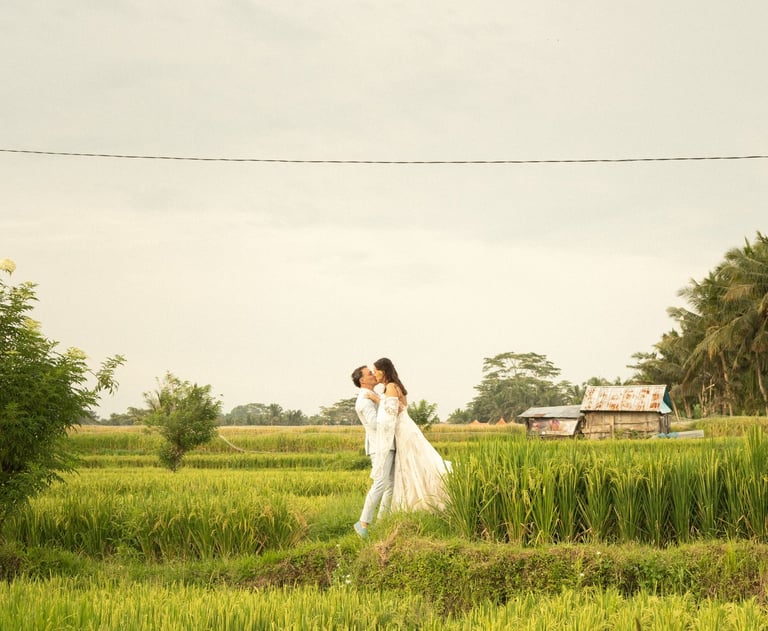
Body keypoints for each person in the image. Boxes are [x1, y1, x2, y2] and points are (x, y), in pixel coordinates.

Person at [371, 357, 450, 514]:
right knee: (413, 462)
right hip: (406, 427)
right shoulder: (396, 385)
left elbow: (392, 412)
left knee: (411, 463)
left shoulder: (391, 387)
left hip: (402, 429)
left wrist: (376, 399)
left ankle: (418, 503)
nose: (374, 375)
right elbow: (400, 407)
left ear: (383, 371)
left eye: (375, 371)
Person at [353, 364, 396, 538]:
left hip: (385, 445)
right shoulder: (365, 400)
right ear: (362, 380)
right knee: (380, 483)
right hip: (379, 447)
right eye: (370, 373)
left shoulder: (373, 396)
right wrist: (383, 403)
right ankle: (363, 523)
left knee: (390, 484)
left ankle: (382, 521)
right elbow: (374, 424)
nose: (374, 374)